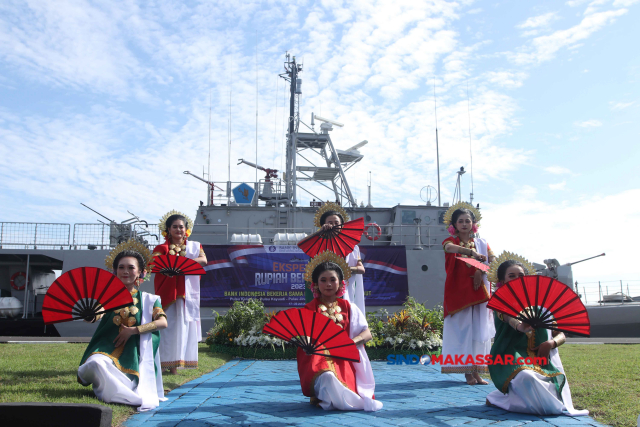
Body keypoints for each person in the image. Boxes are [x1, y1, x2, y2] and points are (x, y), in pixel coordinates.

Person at [486, 253, 588, 416]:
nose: (517, 279)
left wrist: (551, 344)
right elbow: (510, 319)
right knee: (528, 378)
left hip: (541, 359)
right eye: (511, 276)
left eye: (521, 275)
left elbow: (559, 333)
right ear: (503, 281)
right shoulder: (501, 302)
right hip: (511, 357)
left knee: (547, 383)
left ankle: (501, 398)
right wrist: (522, 326)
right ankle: (502, 399)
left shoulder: (541, 303)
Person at [78, 239, 168, 411]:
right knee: (96, 363)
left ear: (141, 272)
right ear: (114, 271)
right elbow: (100, 311)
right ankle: (121, 394)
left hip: (134, 357)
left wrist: (134, 330)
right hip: (106, 349)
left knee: (125, 380)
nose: (125, 271)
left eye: (131, 267)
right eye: (121, 267)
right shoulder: (107, 297)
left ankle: (123, 394)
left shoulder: (150, 299)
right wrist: (91, 316)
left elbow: (163, 322)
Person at [297, 251, 382, 411]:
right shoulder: (308, 309)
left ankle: (341, 399)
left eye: (332, 279)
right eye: (323, 280)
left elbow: (367, 334)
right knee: (327, 376)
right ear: (315, 284)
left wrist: (350, 344)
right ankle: (328, 396)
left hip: (344, 356)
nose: (328, 284)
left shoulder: (350, 307)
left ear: (340, 282)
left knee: (333, 378)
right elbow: (305, 338)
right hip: (318, 358)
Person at [440, 202, 495, 385]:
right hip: (459, 293)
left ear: (473, 223)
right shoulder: (452, 242)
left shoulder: (482, 243)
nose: (464, 224)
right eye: (460, 221)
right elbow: (449, 249)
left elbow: (491, 261)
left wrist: (481, 271)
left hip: (479, 291)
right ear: (454, 225)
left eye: (468, 221)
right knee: (463, 330)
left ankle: (478, 371)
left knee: (478, 330)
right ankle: (467, 372)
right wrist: (469, 252)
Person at [153, 210, 207, 374]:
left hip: (186, 295)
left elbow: (203, 260)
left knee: (182, 329)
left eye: (181, 227)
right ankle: (163, 363)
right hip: (167, 293)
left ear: (186, 229)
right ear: (168, 229)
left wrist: (181, 263)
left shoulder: (194, 247)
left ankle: (175, 366)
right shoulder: (161, 248)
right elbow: (155, 264)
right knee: (167, 329)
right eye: (174, 227)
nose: (178, 230)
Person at [303, 202, 365, 312]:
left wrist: (343, 270)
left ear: (342, 225)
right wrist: (319, 233)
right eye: (330, 223)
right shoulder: (318, 245)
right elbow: (302, 244)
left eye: (336, 223)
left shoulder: (353, 247)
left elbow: (361, 269)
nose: (333, 225)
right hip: (323, 292)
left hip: (344, 291)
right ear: (323, 225)